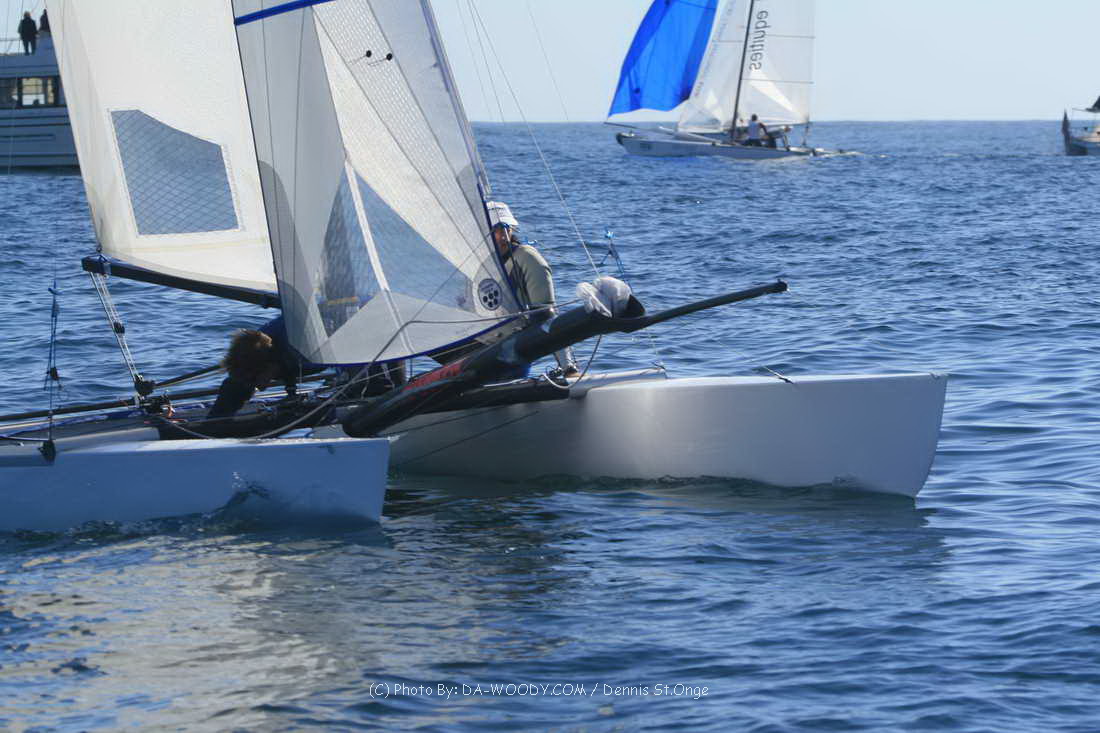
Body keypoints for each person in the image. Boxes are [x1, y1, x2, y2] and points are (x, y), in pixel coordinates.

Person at [486, 201, 578, 378]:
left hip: (514, 347)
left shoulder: (527, 257)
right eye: (496, 229)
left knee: (543, 314)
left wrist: (568, 368)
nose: (503, 235)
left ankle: (569, 368)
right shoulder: (481, 262)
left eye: (506, 228)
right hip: (484, 344)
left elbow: (546, 315)